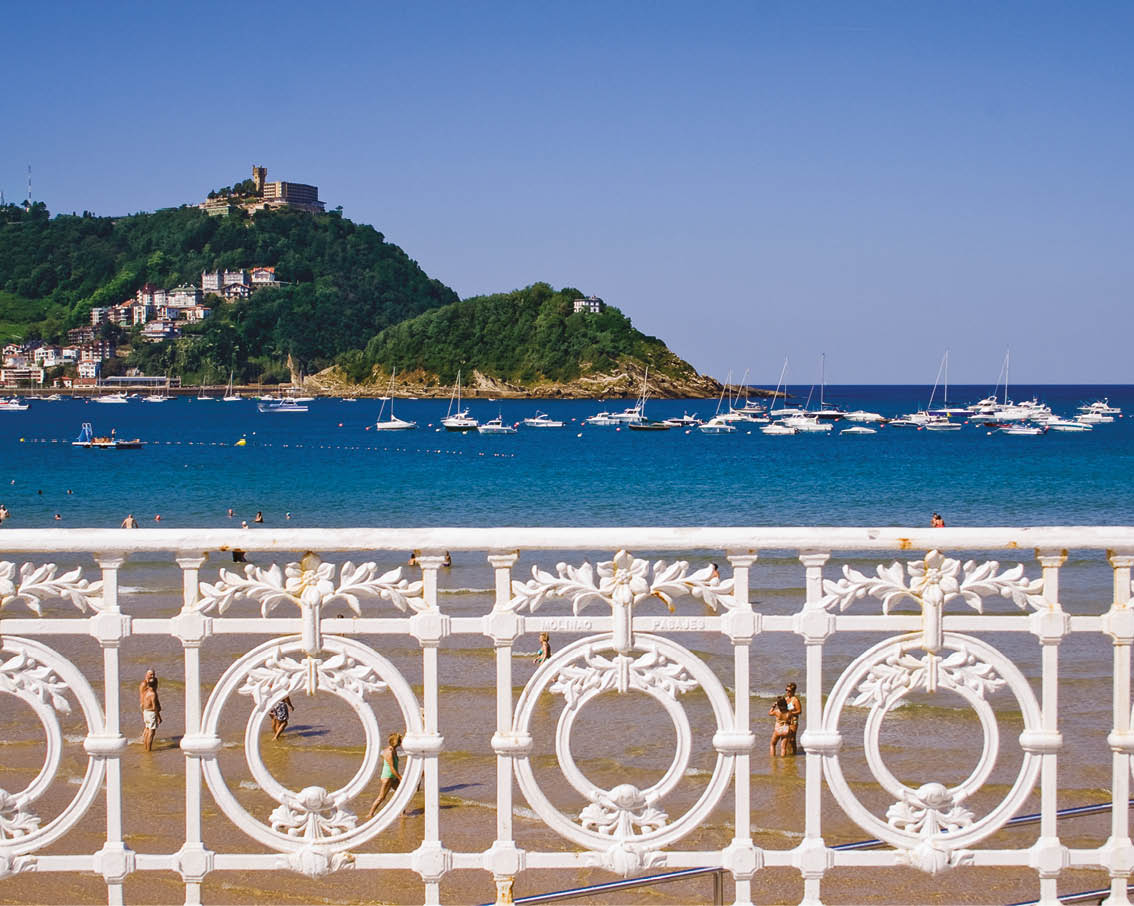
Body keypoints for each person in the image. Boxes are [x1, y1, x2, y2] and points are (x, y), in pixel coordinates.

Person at [366, 732, 404, 818]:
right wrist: (400, 778)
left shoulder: (393, 750)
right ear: (396, 742)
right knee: (381, 797)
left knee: (402, 793)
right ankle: (370, 814)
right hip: (388, 777)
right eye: (400, 741)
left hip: (392, 777)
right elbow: (392, 768)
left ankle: (402, 814)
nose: (401, 743)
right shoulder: (389, 752)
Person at [139, 668, 162, 751]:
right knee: (151, 731)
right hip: (149, 710)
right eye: (150, 674)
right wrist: (158, 715)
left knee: (147, 728)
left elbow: (155, 695)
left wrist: (158, 704)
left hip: (148, 709)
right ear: (146, 675)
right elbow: (142, 697)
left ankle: (146, 746)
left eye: (153, 674)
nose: (152, 676)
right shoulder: (144, 684)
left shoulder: (153, 682)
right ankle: (148, 749)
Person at [783, 682, 802, 755]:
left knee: (792, 739)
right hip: (785, 720)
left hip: (793, 720)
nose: (787, 692)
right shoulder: (786, 698)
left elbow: (799, 711)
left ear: (793, 691)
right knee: (786, 738)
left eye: (789, 691)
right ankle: (788, 752)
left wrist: (791, 713)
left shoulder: (795, 700)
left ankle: (794, 754)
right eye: (786, 690)